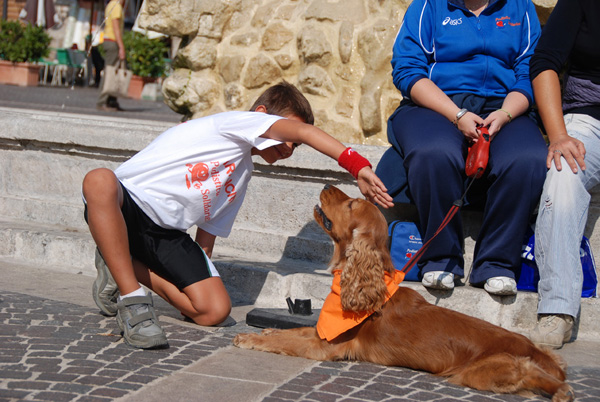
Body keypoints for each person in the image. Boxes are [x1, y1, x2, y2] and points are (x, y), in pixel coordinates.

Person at [83, 82, 394, 349]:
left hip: (166, 234)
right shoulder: (233, 124)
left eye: (296, 145)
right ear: (260, 117)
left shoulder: (243, 172)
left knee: (213, 311)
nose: (291, 146)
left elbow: (208, 229)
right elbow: (305, 129)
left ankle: (118, 260)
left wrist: (191, 286)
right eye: (287, 135)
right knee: (99, 179)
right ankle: (133, 301)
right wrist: (357, 166)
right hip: (126, 204)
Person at [385, 0, 547, 295]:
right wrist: (456, 114)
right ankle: (441, 258)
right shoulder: (428, 6)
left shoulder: (520, 7)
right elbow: (407, 70)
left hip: (504, 105)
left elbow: (530, 72)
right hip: (437, 103)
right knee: (434, 151)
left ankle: (497, 263)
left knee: (528, 158)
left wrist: (506, 114)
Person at [529, 0, 600, 349]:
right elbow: (545, 63)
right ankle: (557, 309)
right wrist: (558, 136)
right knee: (562, 175)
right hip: (588, 121)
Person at [96, 0, 126, 111]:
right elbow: (116, 27)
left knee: (114, 72)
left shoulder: (111, 4)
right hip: (112, 41)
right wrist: (121, 46)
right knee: (110, 73)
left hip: (109, 40)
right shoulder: (116, 6)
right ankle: (102, 101)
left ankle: (111, 101)